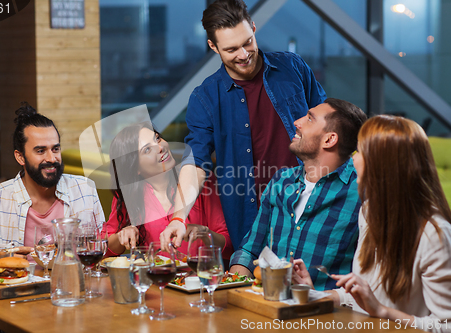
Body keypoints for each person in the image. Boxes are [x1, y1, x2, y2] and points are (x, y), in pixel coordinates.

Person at [160, 0, 327, 252]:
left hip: (309, 204)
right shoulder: (205, 97)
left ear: (254, 27)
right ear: (213, 47)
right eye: (231, 49)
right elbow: (196, 163)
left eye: (247, 42)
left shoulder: (293, 68)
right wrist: (178, 216)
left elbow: (328, 123)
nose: (243, 54)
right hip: (250, 218)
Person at [294, 116, 451, 331]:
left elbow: (446, 325)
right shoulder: (369, 212)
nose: (353, 160)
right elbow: (368, 295)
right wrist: (315, 296)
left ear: (382, 166)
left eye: (360, 152)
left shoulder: (434, 235)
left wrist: (383, 312)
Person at [229, 98, 367, 291]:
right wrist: (233, 287)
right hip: (269, 307)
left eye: (309, 119)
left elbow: (370, 276)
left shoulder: (363, 192)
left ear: (329, 139)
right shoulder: (281, 181)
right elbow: (249, 250)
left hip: (326, 314)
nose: (297, 122)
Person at [0, 102, 105, 272]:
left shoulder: (85, 189)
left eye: (55, 149)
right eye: (40, 151)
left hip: (74, 289)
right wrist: (4, 258)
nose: (51, 158)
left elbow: (102, 244)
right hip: (18, 290)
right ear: (20, 157)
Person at [104, 122, 233, 260]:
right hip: (154, 278)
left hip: (200, 278)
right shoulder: (129, 196)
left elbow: (229, 247)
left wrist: (205, 233)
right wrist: (121, 236)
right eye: (147, 150)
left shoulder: (199, 182)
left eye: (157, 139)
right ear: (135, 168)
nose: (160, 148)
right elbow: (104, 249)